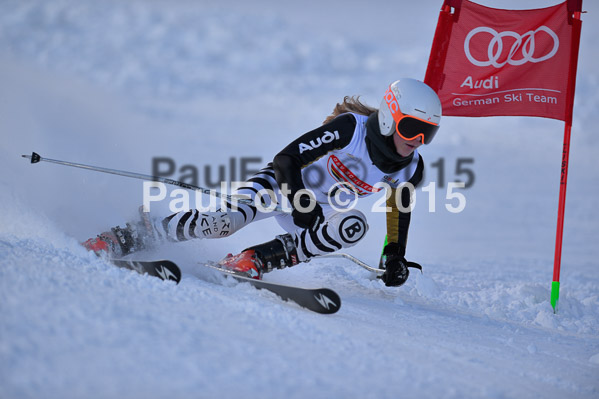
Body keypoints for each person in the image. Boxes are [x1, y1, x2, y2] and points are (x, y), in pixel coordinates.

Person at [83, 78, 442, 287]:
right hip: (282, 187)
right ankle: (129, 235)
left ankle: (255, 259)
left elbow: (399, 208)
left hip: (318, 212)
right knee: (222, 223)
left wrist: (394, 256)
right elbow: (286, 159)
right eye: (412, 127)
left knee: (352, 226)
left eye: (429, 132)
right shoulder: (351, 129)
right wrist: (300, 200)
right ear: (388, 118)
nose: (418, 140)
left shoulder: (411, 168)